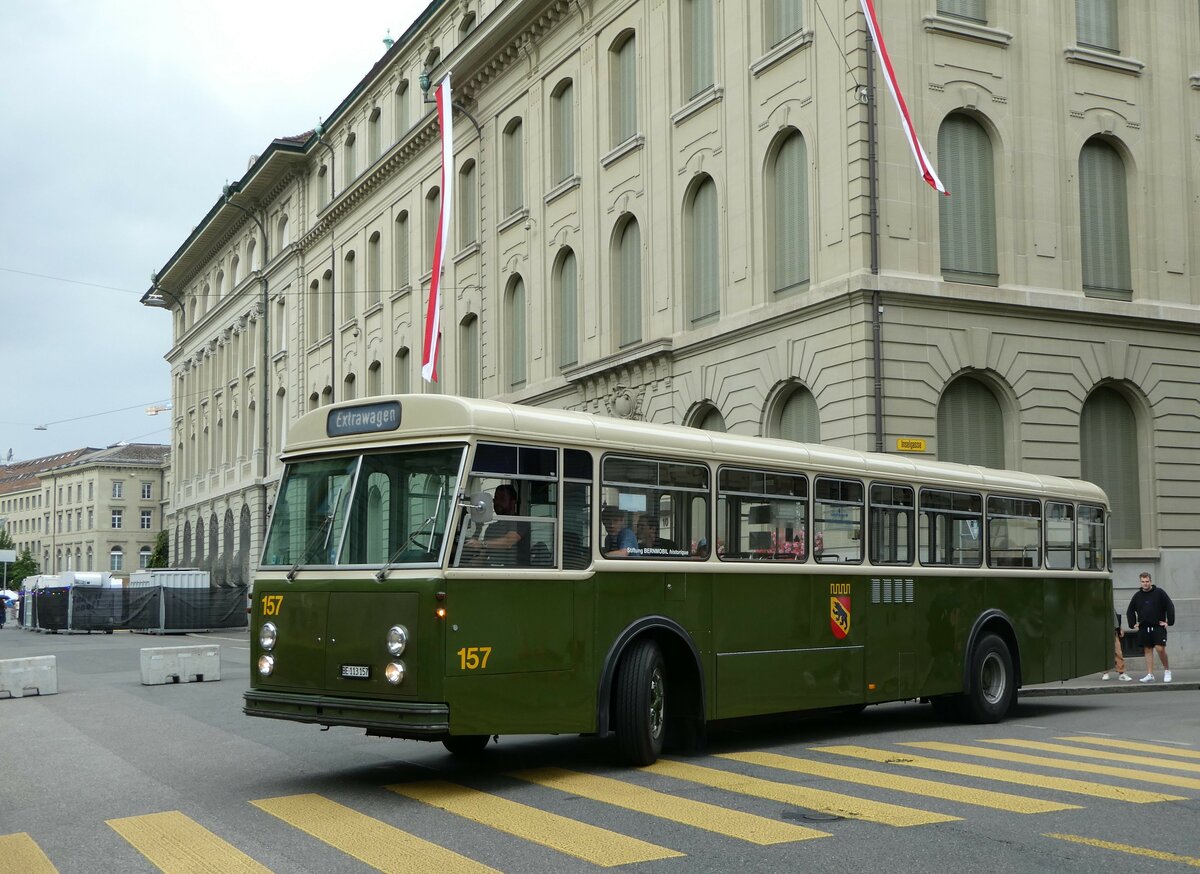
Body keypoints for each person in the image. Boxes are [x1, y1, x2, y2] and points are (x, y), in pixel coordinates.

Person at [1126, 571, 1175, 683]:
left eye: (1147, 581)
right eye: (1143, 582)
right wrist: (1133, 624)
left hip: (1158, 626)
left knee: (1160, 648)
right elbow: (1130, 610)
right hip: (1144, 627)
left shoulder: (1159, 592)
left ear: (1150, 581)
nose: (1145, 584)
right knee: (1147, 650)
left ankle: (1167, 670)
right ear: (1140, 582)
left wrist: (1169, 622)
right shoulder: (1137, 595)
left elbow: (1169, 606)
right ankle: (1150, 674)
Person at [463, 484, 529, 566]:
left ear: (513, 502)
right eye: (496, 499)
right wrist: (466, 565)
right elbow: (483, 556)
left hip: (517, 574)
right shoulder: (492, 528)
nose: (497, 502)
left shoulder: (521, 522)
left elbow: (508, 542)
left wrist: (481, 544)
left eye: (502, 498)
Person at [1101, 610, 1131, 681]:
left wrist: (1119, 628)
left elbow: (1115, 618)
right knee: (1105, 652)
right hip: (1102, 630)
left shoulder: (1110, 606)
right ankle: (1105, 673)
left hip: (1113, 630)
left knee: (1118, 652)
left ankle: (1121, 673)